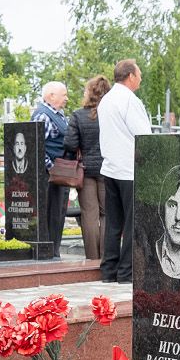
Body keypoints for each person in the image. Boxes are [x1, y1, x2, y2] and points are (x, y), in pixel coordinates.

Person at [97, 58, 152, 282]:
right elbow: (144, 135)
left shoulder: (106, 100)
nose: (141, 78)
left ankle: (108, 271)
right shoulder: (130, 101)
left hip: (110, 167)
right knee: (131, 223)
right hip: (130, 169)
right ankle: (126, 272)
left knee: (113, 222)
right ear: (130, 76)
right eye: (139, 74)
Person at [64, 76, 108, 261]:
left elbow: (70, 144)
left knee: (89, 215)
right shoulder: (112, 115)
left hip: (86, 170)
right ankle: (107, 258)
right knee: (107, 214)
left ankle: (92, 259)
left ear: (89, 93)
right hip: (108, 169)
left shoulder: (78, 115)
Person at [31, 81, 70, 258]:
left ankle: (55, 251)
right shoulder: (43, 116)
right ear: (51, 96)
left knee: (58, 213)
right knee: (52, 213)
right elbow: (37, 145)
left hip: (59, 173)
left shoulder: (58, 115)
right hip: (49, 174)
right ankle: (50, 252)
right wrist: (52, 167)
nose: (66, 98)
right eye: (64, 95)